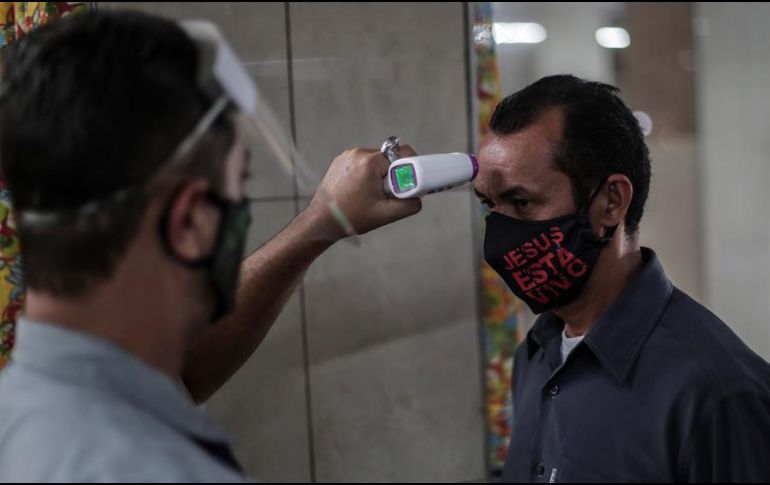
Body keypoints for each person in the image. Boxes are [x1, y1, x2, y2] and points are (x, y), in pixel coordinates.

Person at [0, 11, 420, 481]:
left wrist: (320, 222)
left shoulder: (23, 417)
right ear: (186, 221)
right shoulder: (161, 468)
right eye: (238, 186)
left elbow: (183, 372)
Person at [475, 74, 770, 482]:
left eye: (523, 202)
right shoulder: (536, 355)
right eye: (490, 205)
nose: (501, 235)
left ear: (612, 201)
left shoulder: (717, 395)